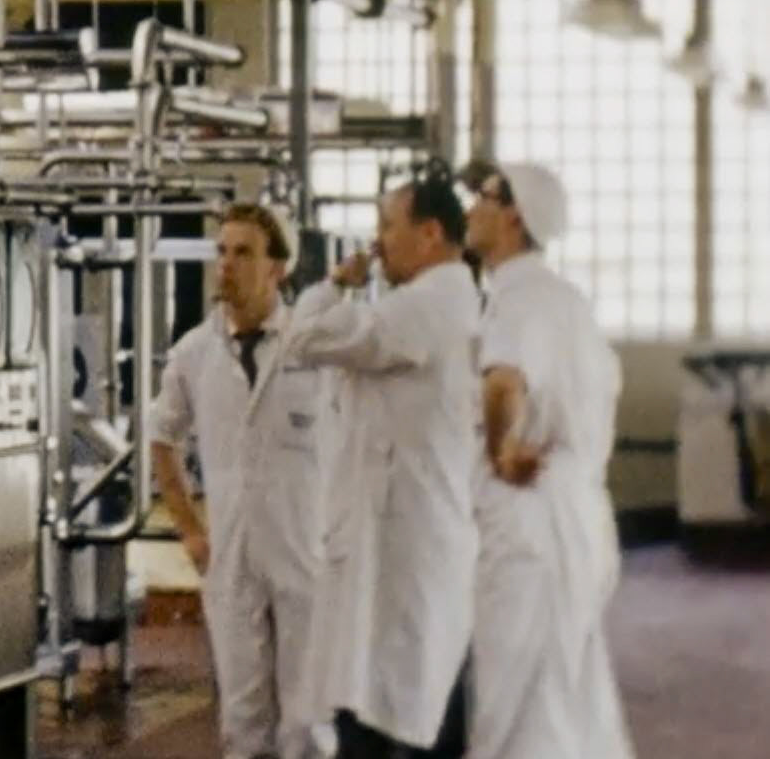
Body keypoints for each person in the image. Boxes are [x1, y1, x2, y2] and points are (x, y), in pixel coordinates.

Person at [283, 173, 482, 758]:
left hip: (407, 542)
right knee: (384, 696)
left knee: (402, 707)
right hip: (396, 536)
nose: (375, 245)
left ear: (429, 233)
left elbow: (305, 340)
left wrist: (331, 287)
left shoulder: (425, 307)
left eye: (386, 228)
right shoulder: (431, 302)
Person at [463, 162, 632, 759]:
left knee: (515, 708)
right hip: (576, 514)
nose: (470, 207)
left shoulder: (522, 294)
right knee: (567, 695)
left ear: (515, 215)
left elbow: (503, 383)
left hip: (531, 515)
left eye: (481, 197)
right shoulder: (563, 298)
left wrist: (499, 451)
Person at [152, 204, 332, 758]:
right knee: (243, 721)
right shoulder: (194, 353)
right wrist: (190, 529)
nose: (225, 265)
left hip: (307, 549)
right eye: (221, 252)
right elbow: (162, 438)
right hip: (231, 556)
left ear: (277, 268)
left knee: (309, 722)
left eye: (243, 253)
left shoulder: (317, 345)